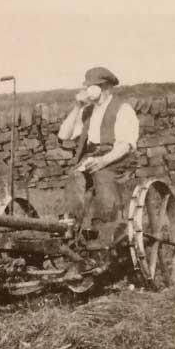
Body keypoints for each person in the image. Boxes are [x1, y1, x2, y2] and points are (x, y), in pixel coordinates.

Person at [58, 66, 139, 245]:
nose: (90, 91)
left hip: (117, 157)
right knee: (75, 176)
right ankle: (70, 226)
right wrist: (77, 106)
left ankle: (102, 227)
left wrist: (103, 161)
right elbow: (64, 135)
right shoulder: (87, 110)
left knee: (102, 176)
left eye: (94, 87)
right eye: (88, 87)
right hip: (93, 156)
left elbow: (125, 145)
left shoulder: (122, 109)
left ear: (106, 88)